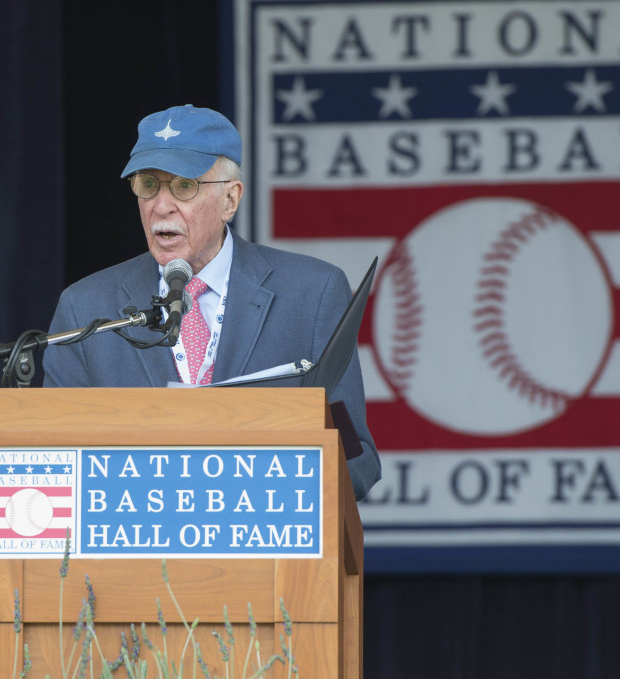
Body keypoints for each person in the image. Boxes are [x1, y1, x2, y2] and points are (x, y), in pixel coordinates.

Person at [43, 104, 380, 500]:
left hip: (267, 550)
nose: (161, 205)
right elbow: (53, 464)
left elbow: (356, 460)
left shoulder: (313, 292)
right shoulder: (86, 308)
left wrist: (245, 493)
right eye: (148, 184)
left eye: (184, 186)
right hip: (132, 554)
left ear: (230, 200)